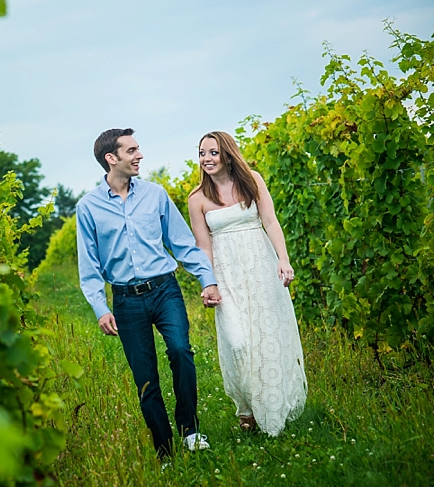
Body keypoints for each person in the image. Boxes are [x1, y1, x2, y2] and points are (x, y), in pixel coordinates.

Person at [76, 128, 221, 459]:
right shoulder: (88, 207)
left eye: (138, 149)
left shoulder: (155, 195)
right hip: (126, 300)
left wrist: (206, 279)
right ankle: (164, 447)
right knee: (145, 377)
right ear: (111, 159)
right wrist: (100, 308)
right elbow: (89, 267)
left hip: (164, 289)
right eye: (131, 150)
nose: (139, 155)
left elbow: (183, 244)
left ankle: (190, 429)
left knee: (181, 352)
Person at [187, 131, 308, 436]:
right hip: (228, 276)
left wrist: (283, 259)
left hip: (261, 267)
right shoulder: (197, 198)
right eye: (202, 153)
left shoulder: (252, 180)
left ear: (227, 154)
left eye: (213, 152)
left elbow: (270, 221)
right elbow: (203, 245)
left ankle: (267, 406)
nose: (206, 159)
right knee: (237, 341)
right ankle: (245, 405)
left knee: (266, 335)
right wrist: (208, 283)